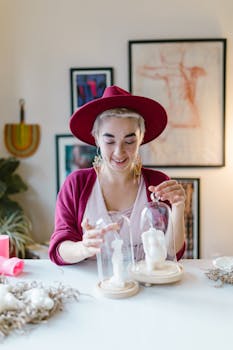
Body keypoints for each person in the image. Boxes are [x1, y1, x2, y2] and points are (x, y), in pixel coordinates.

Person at [49, 85, 186, 265]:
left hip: (148, 286)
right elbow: (59, 249)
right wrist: (83, 247)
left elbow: (171, 252)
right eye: (109, 141)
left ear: (142, 137)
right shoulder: (76, 184)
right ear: (96, 138)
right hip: (92, 288)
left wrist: (178, 206)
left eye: (129, 141)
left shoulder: (159, 183)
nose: (119, 152)